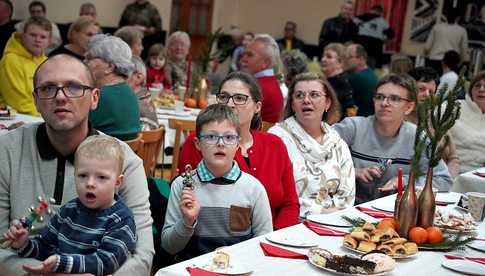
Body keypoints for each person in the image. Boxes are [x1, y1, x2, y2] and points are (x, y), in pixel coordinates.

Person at [0, 54, 153, 276]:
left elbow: (142, 256)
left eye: (73, 87)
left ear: (95, 98)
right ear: (35, 101)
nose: (60, 97)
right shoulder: (6, 151)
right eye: (48, 88)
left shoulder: (125, 161)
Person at [179, 72, 299, 229]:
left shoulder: (275, 145)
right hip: (216, 238)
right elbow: (188, 196)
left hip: (273, 238)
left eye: (240, 98)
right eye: (224, 97)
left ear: (257, 107)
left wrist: (277, 238)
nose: (230, 104)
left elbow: (290, 204)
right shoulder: (202, 142)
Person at [2, 135, 136, 275]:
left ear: (117, 182)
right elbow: (46, 247)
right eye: (83, 175)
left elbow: (106, 262)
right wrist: (24, 244)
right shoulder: (69, 210)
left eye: (101, 177)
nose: (90, 183)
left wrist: (62, 262)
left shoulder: (121, 219)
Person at [163, 104, 272, 260]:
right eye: (211, 137)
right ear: (198, 144)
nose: (220, 143)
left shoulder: (253, 188)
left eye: (228, 137)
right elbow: (169, 246)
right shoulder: (182, 186)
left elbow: (263, 243)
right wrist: (187, 222)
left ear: (237, 144)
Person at [332, 74, 452, 204]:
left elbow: (443, 180)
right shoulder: (352, 127)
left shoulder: (417, 137)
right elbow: (313, 159)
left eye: (394, 99)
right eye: (380, 97)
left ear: (409, 107)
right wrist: (352, 171)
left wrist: (403, 181)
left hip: (394, 210)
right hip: (349, 206)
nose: (384, 103)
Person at [268, 72, 354, 217]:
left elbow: (348, 195)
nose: (306, 100)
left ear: (327, 103)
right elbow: (276, 194)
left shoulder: (336, 142)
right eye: (299, 95)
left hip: (335, 222)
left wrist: (332, 216)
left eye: (314, 95)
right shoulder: (276, 138)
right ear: (292, 104)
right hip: (290, 223)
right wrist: (321, 212)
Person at [407, 66, 460, 179]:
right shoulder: (397, 122)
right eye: (421, 89)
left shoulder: (437, 121)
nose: (426, 95)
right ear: (408, 91)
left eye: (431, 92)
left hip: (439, 185)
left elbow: (453, 158)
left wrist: (447, 180)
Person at [85, 34, 140, 141]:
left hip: (99, 154)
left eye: (89, 58)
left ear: (109, 67)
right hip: (125, 155)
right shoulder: (128, 92)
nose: (84, 62)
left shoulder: (99, 96)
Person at [0, 16, 51, 116]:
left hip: (42, 117)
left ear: (49, 41)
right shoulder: (11, 60)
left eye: (43, 37)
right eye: (33, 35)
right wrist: (48, 118)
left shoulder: (47, 62)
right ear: (23, 36)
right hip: (15, 118)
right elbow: (19, 103)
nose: (37, 40)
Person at [240, 34, 284, 123]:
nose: (243, 59)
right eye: (244, 54)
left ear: (266, 62)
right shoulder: (271, 82)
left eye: (249, 55)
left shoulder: (257, 87)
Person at [449, 71, 485, 173]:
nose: (481, 89)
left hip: (480, 175)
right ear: (471, 90)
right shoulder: (453, 107)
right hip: (452, 170)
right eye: (477, 86)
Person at [424, 11, 468, 75]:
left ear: (446, 17)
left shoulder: (436, 27)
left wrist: (427, 56)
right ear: (458, 18)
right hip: (451, 62)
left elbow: (427, 47)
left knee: (432, 82)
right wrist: (460, 63)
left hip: (434, 60)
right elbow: (464, 50)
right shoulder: (462, 30)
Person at [321, 43, 356, 118]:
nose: (323, 59)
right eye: (323, 56)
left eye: (329, 57)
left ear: (340, 62)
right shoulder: (328, 81)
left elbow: (349, 112)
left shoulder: (344, 83)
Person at [345, 43, 378, 116]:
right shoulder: (370, 73)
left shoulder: (357, 77)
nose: (345, 60)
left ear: (361, 59)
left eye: (349, 57)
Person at [128, 56, 160, 130]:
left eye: (124, 75)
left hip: (143, 139)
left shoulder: (140, 98)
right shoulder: (144, 93)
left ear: (138, 77)